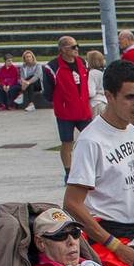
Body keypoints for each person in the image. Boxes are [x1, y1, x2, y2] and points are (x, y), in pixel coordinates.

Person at [63, 59, 134, 266]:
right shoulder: (91, 141)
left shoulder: (132, 130)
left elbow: (119, 183)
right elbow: (72, 203)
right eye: (130, 97)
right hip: (113, 240)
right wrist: (115, 246)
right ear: (109, 96)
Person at [42, 35, 92, 177]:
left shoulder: (83, 63)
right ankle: (68, 171)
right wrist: (62, 102)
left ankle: (91, 168)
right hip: (65, 113)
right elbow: (48, 91)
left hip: (83, 111)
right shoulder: (52, 67)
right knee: (66, 142)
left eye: (77, 46)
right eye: (73, 47)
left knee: (92, 140)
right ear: (63, 49)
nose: (76, 49)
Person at [85, 50, 106, 117]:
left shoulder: (92, 73)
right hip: (105, 102)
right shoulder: (104, 72)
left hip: (95, 103)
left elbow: (91, 93)